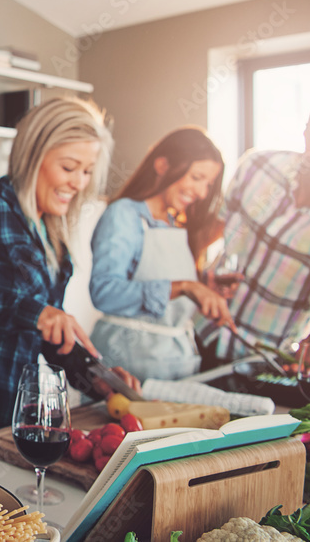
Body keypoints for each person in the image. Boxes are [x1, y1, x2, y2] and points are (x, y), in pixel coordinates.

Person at [0, 96, 140, 458]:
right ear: (34, 155)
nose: (79, 182)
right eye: (69, 167)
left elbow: (51, 337)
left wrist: (97, 380)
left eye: (87, 170)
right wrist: (30, 311)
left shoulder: (52, 232)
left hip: (13, 422)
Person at [88, 127, 233, 382]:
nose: (202, 192)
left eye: (208, 184)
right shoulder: (124, 215)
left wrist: (202, 289)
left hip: (176, 363)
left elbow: (169, 294)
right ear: (162, 165)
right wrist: (185, 287)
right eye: (197, 177)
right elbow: (104, 292)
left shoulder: (173, 221)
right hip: (129, 366)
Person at [198, 93, 310, 361]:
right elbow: (208, 234)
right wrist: (195, 278)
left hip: (266, 362)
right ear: (305, 134)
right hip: (198, 333)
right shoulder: (257, 166)